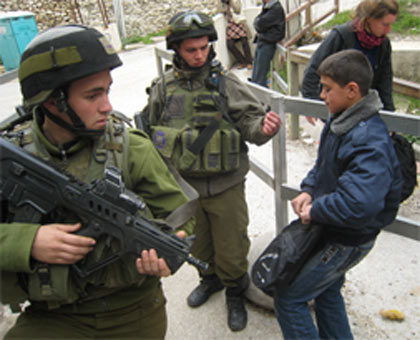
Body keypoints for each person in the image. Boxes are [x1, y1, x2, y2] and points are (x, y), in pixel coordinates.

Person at [0, 24, 195, 339]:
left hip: (132, 310)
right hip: (53, 316)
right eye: (93, 95)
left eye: (107, 90)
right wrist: (27, 242)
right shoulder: (10, 155)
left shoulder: (132, 147)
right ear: (53, 102)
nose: (107, 105)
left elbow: (180, 215)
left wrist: (167, 251)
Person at [137, 10, 282, 332]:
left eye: (204, 47)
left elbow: (250, 123)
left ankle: (234, 291)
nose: (199, 55)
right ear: (177, 49)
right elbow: (148, 130)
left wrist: (265, 127)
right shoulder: (164, 87)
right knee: (198, 245)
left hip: (226, 185)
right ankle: (209, 280)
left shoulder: (226, 83)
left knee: (232, 248)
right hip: (184, 188)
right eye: (191, 50)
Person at [273, 49, 402, 339]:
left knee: (290, 299)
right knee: (327, 291)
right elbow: (323, 166)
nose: (321, 95)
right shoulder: (342, 118)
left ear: (352, 91)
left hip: (348, 239)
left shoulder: (369, 138)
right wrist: (308, 189)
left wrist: (316, 210)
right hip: (337, 230)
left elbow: (359, 204)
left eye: (327, 89)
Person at [302, 0, 399, 125]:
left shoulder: (383, 44)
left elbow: (385, 80)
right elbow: (314, 68)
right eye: (385, 25)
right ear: (369, 19)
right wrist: (311, 105)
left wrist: (389, 115)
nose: (388, 30)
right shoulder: (341, 36)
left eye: (391, 25)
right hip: (336, 108)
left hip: (364, 110)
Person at [251, 0, 286, 87]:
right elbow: (257, 22)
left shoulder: (275, 9)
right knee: (255, 75)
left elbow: (259, 23)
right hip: (263, 41)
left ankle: (261, 98)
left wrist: (258, 24)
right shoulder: (268, 7)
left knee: (260, 77)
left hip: (268, 43)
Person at [217, 0, 253, 70]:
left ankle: (249, 62)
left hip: (239, 23)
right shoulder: (222, 2)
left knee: (244, 42)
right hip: (230, 26)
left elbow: (237, 10)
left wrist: (231, 2)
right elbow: (219, 11)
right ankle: (242, 61)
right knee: (230, 44)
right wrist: (223, 5)